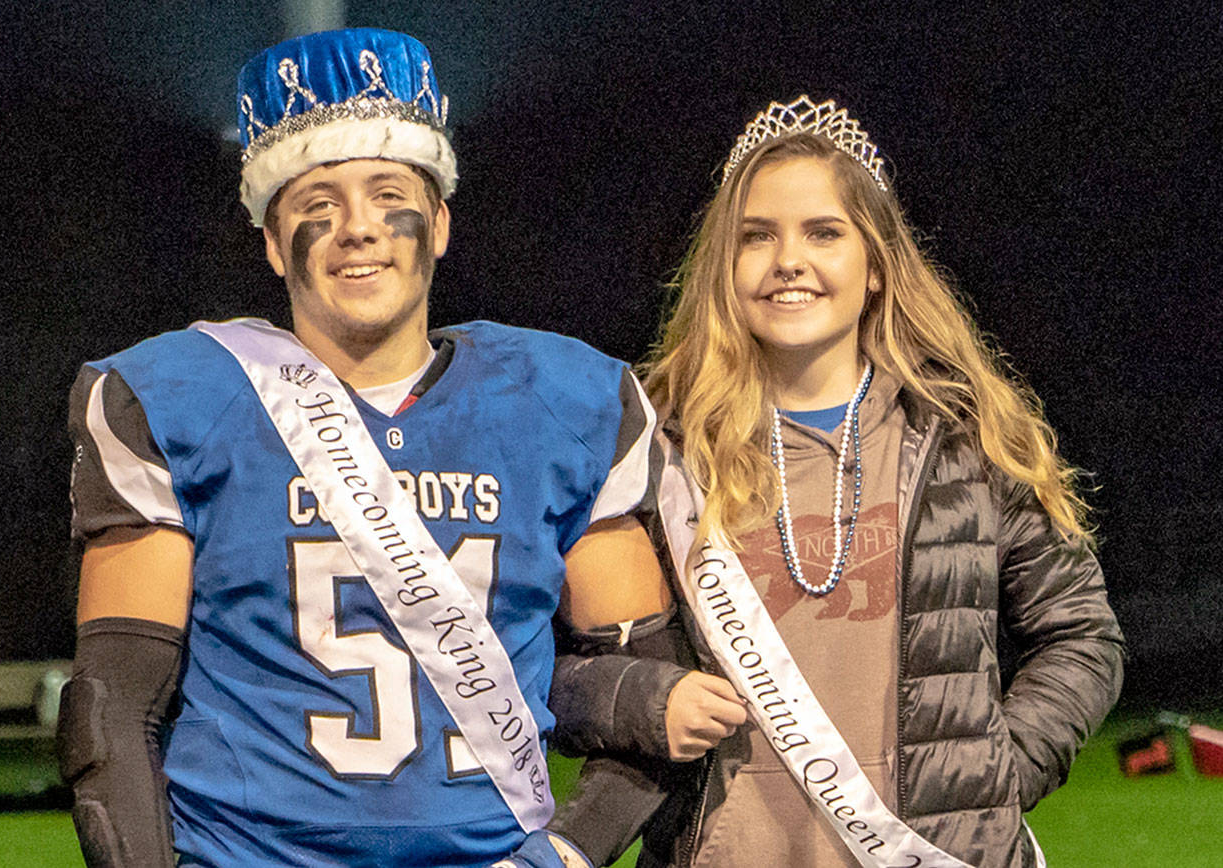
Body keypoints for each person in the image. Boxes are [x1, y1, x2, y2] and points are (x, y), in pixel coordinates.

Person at [56, 27, 724, 868]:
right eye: (316, 206)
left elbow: (647, 702)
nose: (357, 230)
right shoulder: (181, 398)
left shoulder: (562, 400)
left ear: (440, 222)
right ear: (270, 240)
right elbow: (113, 709)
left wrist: (565, 854)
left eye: (387, 195)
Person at [546, 96, 1124, 868]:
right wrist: (649, 704)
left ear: (877, 267)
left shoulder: (966, 442)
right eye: (758, 237)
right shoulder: (650, 453)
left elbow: (1082, 634)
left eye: (824, 233)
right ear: (726, 266)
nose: (790, 259)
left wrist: (995, 777)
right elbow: (554, 666)